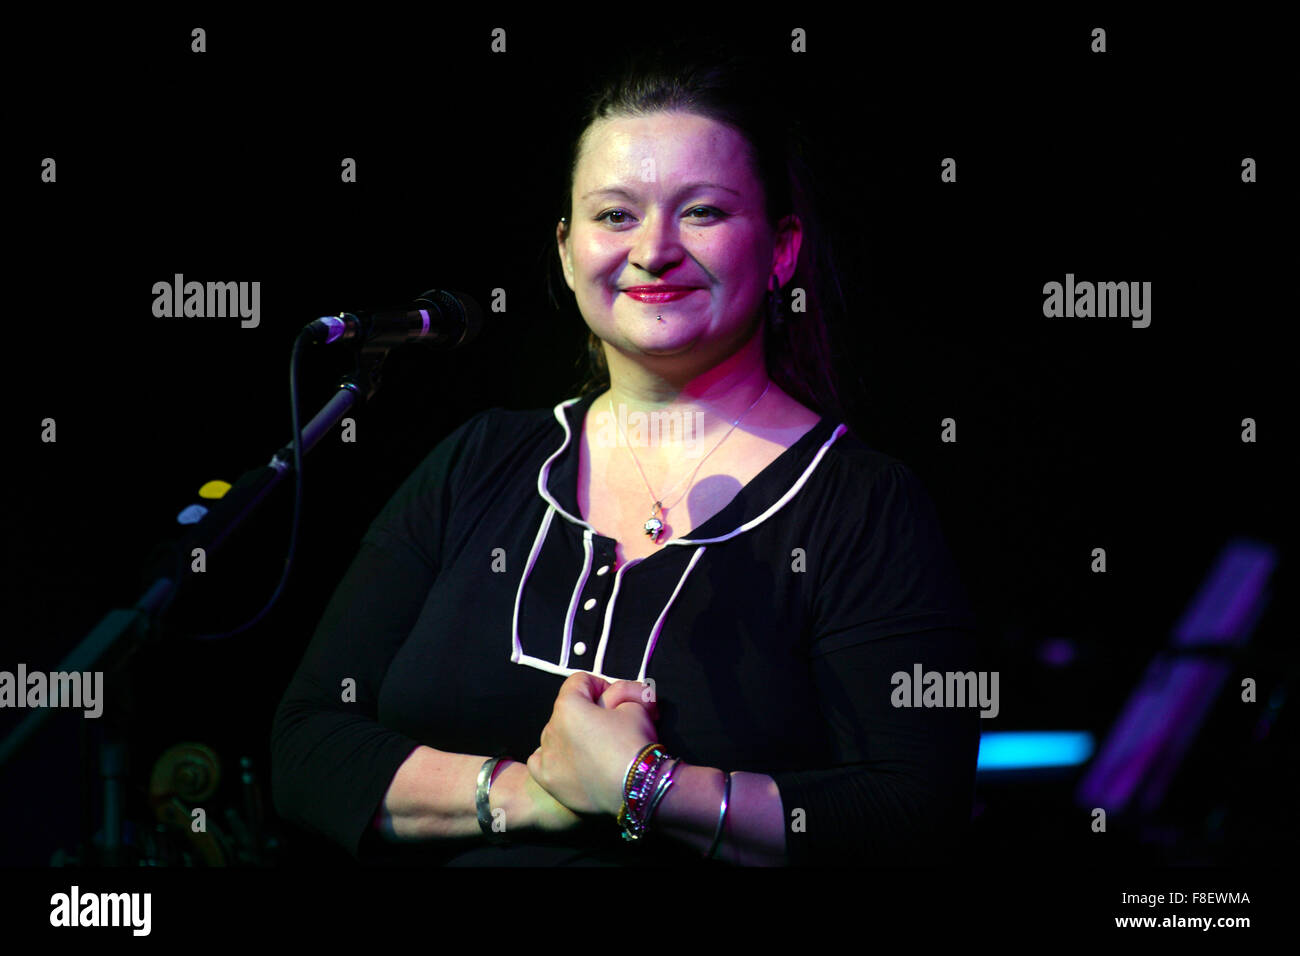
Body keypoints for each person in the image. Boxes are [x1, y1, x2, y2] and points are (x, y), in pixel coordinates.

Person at [270, 50, 981, 867]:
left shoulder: (862, 504)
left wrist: (644, 786)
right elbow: (307, 748)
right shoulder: (481, 460)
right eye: (615, 216)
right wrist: (531, 795)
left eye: (703, 212)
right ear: (568, 252)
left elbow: (912, 813)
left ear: (783, 249)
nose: (653, 250)